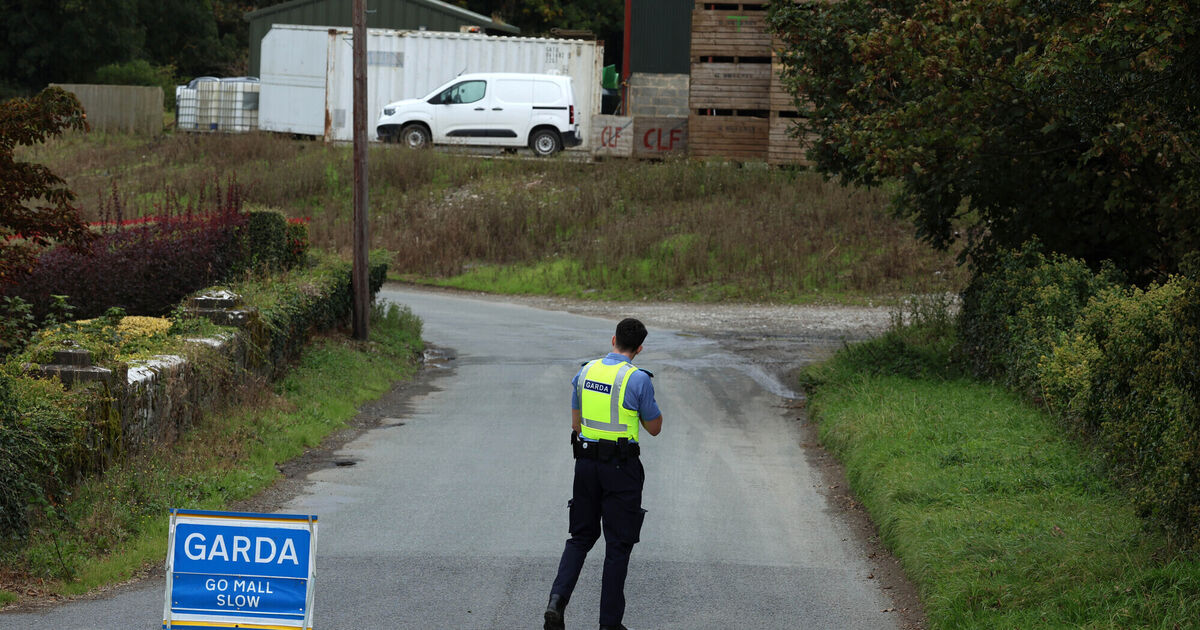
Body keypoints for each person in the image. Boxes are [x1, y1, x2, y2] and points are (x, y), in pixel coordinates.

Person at [544, 318, 663, 630]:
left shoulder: (585, 372)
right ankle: (609, 624)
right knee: (618, 545)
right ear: (639, 348)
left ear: (613, 340)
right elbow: (654, 428)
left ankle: (557, 601)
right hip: (621, 469)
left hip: (585, 465)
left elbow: (576, 424)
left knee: (580, 537)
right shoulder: (638, 379)